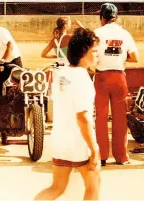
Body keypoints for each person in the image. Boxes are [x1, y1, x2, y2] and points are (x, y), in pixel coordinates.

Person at [34, 28, 101, 200]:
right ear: (83, 52)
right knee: (93, 187)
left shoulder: (62, 75)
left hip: (60, 140)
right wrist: (94, 148)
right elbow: (83, 117)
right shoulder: (82, 79)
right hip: (78, 142)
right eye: (94, 51)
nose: (97, 55)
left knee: (57, 188)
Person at [93, 3, 139, 166]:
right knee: (120, 118)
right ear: (116, 17)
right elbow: (135, 57)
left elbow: (90, 57)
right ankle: (121, 157)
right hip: (119, 77)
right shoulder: (125, 34)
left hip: (102, 77)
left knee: (101, 118)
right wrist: (120, 59)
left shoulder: (96, 33)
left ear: (102, 18)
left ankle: (102, 156)